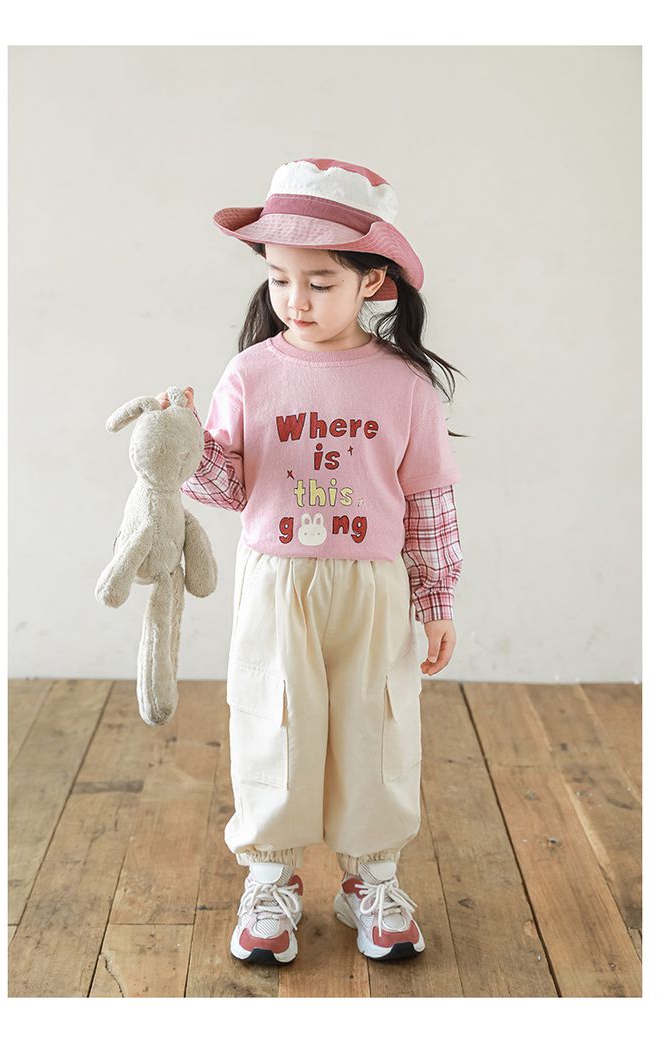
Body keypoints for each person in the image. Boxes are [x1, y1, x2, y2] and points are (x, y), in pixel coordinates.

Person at [156, 157, 465, 965]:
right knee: (274, 722)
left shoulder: (404, 386)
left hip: (373, 588)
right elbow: (228, 486)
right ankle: (270, 878)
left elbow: (429, 501)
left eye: (320, 281)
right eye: (280, 279)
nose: (295, 299)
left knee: (377, 725)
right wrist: (184, 445)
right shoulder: (251, 374)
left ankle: (373, 878)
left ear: (372, 281)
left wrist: (436, 600)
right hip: (278, 581)